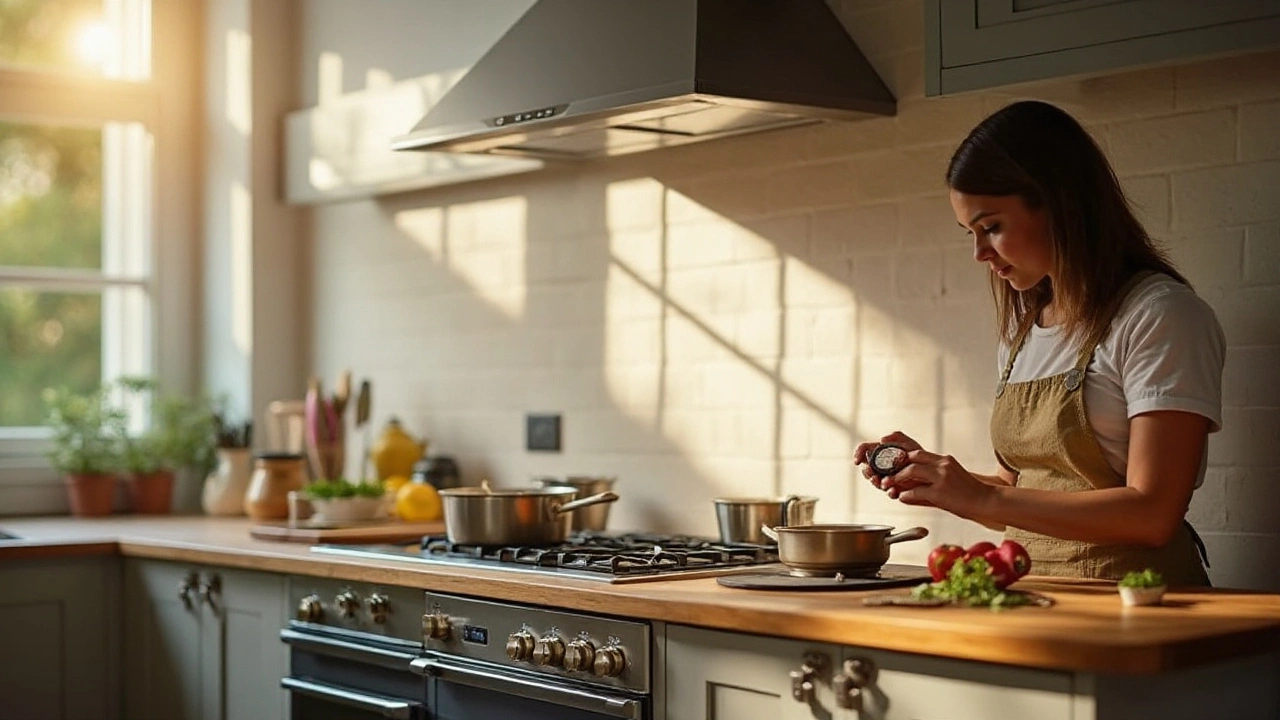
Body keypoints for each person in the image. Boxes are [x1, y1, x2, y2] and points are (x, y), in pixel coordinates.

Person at [854, 100, 1224, 586]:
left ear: (1059, 203)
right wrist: (942, 482)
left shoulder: (1160, 315)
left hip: (1140, 605)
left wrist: (980, 497)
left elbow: (1152, 513)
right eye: (970, 232)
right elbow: (1019, 492)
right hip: (1037, 594)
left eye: (992, 227)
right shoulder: (1025, 331)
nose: (979, 253)